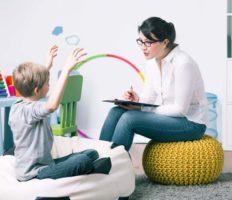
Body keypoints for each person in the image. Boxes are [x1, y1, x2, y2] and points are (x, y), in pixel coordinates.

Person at [100, 17, 208, 151]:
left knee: (129, 118)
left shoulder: (183, 63)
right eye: (140, 41)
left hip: (191, 123)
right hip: (170, 118)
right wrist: (136, 101)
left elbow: (180, 110)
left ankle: (113, 165)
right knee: (116, 111)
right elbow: (148, 98)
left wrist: (142, 109)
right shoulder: (152, 62)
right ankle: (98, 159)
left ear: (165, 42)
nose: (143, 47)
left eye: (148, 42)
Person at [9, 45, 111, 181]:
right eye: (48, 83)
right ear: (36, 90)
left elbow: (38, 85)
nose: (49, 85)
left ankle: (86, 168)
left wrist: (48, 65)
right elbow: (52, 106)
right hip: (35, 174)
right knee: (82, 161)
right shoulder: (27, 110)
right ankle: (90, 171)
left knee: (91, 153)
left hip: (46, 164)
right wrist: (66, 70)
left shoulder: (26, 104)